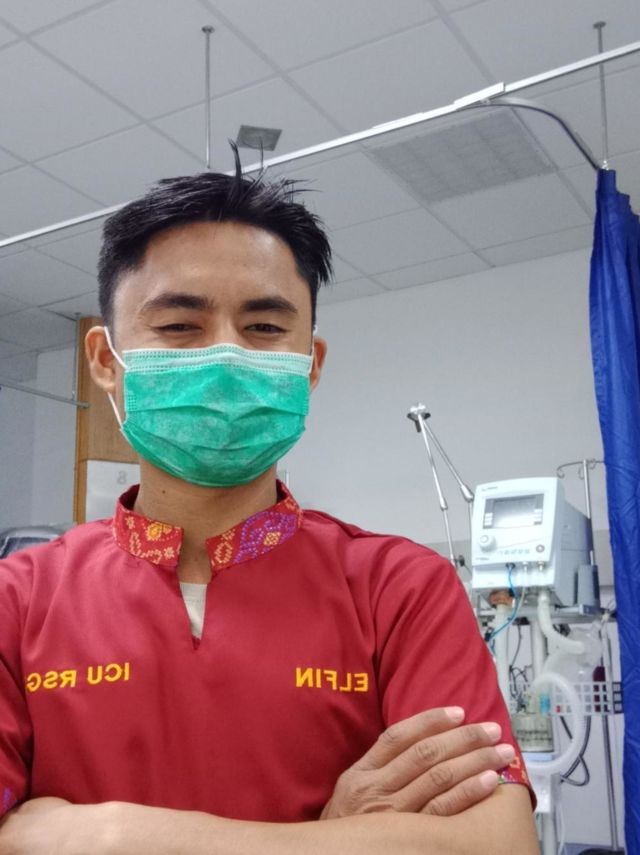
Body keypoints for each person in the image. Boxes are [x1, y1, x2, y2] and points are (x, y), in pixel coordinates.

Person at [0, 157, 538, 855]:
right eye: (180, 326)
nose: (227, 356)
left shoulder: (400, 589)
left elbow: (497, 843)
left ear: (309, 366)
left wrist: (103, 833)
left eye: (262, 327)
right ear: (105, 360)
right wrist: (336, 839)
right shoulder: (17, 600)